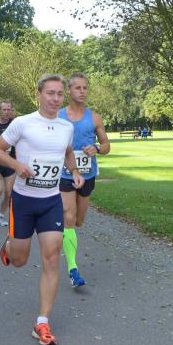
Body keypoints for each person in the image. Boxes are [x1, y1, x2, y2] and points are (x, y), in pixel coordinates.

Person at [0, 74, 84, 345]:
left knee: (52, 258)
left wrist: (74, 171)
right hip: (23, 201)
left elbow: (67, 152)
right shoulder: (23, 123)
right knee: (19, 260)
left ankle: (42, 322)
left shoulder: (66, 127)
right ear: (38, 95)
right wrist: (17, 166)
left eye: (59, 94)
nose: (56, 99)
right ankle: (9, 246)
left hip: (51, 202)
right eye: (50, 93)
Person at [58, 73, 110, 287]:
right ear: (69, 91)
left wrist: (96, 148)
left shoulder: (94, 117)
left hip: (87, 174)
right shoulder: (59, 116)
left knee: (78, 221)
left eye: (85, 88)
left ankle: (66, 233)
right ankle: (73, 269)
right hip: (64, 173)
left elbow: (106, 146)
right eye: (77, 88)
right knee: (69, 217)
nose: (82, 91)